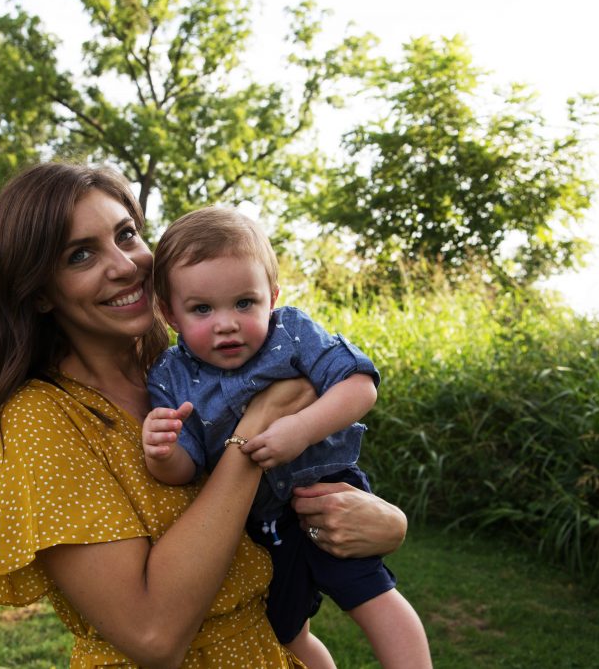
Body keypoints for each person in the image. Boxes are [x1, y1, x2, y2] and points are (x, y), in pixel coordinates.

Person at [0, 162, 418, 668]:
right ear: (40, 292)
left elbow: (266, 543)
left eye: (126, 234)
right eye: (80, 255)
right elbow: (152, 636)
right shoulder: (42, 419)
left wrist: (387, 523)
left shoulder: (186, 370)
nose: (125, 265)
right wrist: (258, 424)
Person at [143, 207, 431, 669]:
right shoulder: (170, 376)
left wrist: (301, 428)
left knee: (370, 595)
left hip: (325, 492)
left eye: (244, 303)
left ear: (272, 296)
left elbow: (360, 386)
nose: (226, 323)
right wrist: (162, 453)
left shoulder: (291, 333)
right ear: (169, 313)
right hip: (258, 523)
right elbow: (186, 466)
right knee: (286, 629)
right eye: (202, 309)